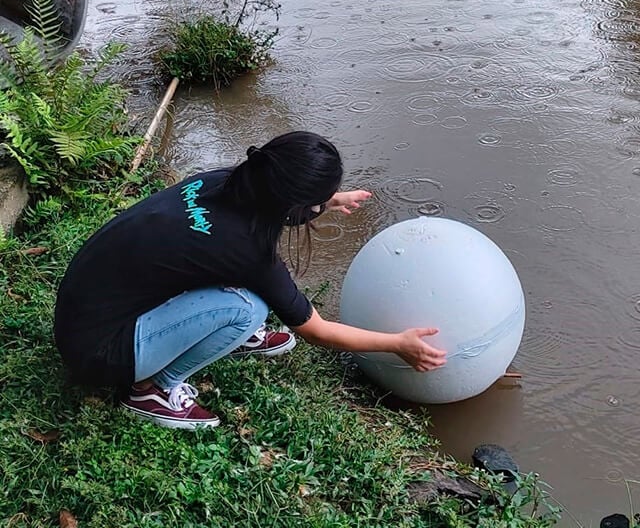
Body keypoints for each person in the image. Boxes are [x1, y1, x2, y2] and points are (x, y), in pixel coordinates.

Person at [54, 131, 447, 429]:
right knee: (249, 308)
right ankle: (152, 391)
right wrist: (397, 344)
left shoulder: (228, 180)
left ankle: (210, 336)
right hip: (102, 353)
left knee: (232, 286)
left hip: (87, 309)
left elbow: (276, 206)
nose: (321, 205)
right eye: (319, 200)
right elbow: (318, 331)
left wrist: (330, 200)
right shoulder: (247, 250)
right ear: (293, 202)